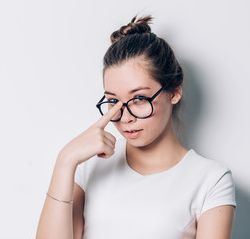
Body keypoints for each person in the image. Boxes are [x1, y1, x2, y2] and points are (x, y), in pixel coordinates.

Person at [37, 15, 236, 239]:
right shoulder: (89, 164)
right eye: (114, 101)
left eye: (140, 98)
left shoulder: (211, 180)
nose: (125, 117)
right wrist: (65, 160)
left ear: (174, 92)